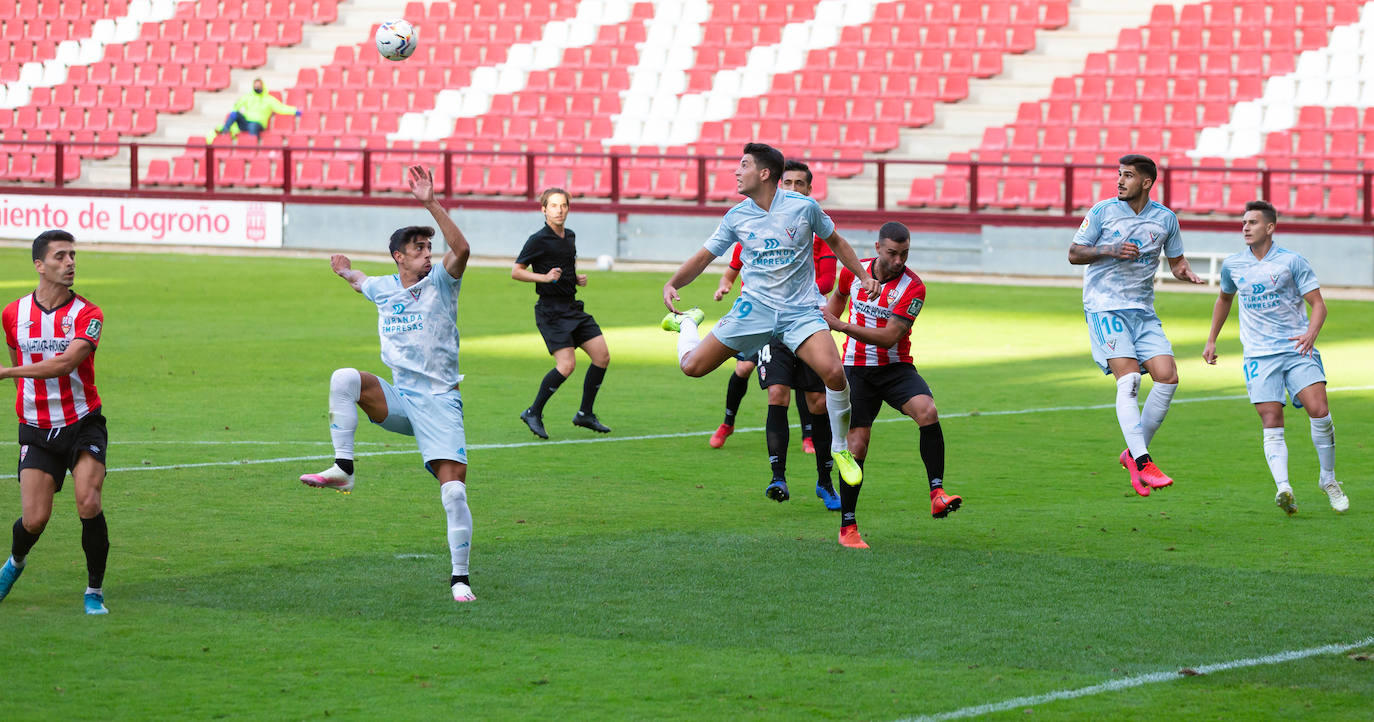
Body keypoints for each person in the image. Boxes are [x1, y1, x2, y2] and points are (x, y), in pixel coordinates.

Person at [296, 165, 479, 603]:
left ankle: (460, 578)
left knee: (453, 491)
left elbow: (463, 248)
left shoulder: (442, 283)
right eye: (418, 248)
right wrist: (345, 271)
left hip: (439, 402)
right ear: (399, 255)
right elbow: (363, 282)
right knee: (344, 378)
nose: (427, 253)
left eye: (428, 247)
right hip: (399, 400)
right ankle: (344, 469)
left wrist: (430, 203)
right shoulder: (383, 287)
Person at [661, 142, 880, 492]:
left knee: (834, 373)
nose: (736, 171)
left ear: (764, 173)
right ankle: (688, 322)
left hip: (800, 312)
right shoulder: (736, 216)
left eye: (743, 165)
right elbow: (705, 256)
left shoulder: (804, 208)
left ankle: (839, 449)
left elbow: (836, 242)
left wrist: (863, 276)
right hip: (755, 310)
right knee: (692, 367)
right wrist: (674, 282)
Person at [1068, 153, 1202, 497]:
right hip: (1105, 307)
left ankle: (1132, 453)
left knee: (1168, 377)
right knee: (1128, 379)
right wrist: (1110, 249)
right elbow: (1074, 253)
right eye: (1119, 174)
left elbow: (1176, 260)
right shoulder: (1102, 212)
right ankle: (1144, 462)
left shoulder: (1166, 219)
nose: (1120, 181)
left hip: (1142, 311)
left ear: (1146, 182)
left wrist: (1183, 272)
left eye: (1127, 176)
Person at [1202, 200, 1347, 514]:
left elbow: (1318, 304)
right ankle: (1284, 488)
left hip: (1296, 349)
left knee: (1319, 410)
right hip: (1258, 355)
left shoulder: (1292, 262)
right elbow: (1224, 299)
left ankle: (1328, 479)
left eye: (1252, 222)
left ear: (1270, 227)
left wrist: (1311, 333)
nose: (1245, 227)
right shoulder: (1233, 265)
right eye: (1243, 222)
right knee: (1271, 419)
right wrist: (1211, 339)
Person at [823, 222, 961, 549]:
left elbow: (888, 338)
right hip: (856, 370)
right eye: (892, 253)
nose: (899, 260)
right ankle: (848, 527)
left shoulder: (913, 287)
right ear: (877, 248)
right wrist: (825, 335)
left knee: (927, 410)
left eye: (905, 253)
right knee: (856, 447)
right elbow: (836, 301)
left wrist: (841, 326)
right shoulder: (853, 274)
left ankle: (937, 493)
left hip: (895, 367)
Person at [711, 160, 839, 510]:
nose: (795, 189)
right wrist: (728, 283)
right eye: (790, 182)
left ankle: (825, 481)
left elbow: (827, 281)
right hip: (765, 322)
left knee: (815, 402)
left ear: (810, 192)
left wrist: (791, 284)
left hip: (805, 322)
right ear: (780, 184)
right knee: (775, 393)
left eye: (801, 184)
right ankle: (777, 477)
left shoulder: (815, 230)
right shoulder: (758, 223)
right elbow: (738, 259)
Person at [0, 230, 111, 615]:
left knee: (88, 501)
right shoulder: (13, 314)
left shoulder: (88, 314)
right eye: (60, 256)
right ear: (39, 265)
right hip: (36, 427)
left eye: (73, 256)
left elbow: (65, 363)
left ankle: (94, 591)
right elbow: (18, 354)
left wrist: (8, 371)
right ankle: (14, 563)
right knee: (33, 520)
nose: (70, 263)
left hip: (83, 422)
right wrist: (16, 375)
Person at [513, 188, 611, 439]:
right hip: (551, 311)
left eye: (563, 205)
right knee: (566, 365)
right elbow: (517, 271)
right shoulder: (538, 239)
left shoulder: (570, 236)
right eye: (554, 205)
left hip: (572, 306)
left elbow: (566, 264)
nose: (559, 210)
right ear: (543, 209)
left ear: (568, 208)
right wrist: (544, 278)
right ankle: (533, 412)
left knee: (602, 356)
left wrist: (575, 278)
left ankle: (585, 414)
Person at [205, 78, 300, 143]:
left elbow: (280, 108)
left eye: (259, 85)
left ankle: (253, 145)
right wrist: (234, 111)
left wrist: (294, 111)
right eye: (256, 86)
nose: (257, 87)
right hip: (245, 122)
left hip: (258, 124)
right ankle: (225, 130)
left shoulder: (269, 99)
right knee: (235, 114)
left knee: (253, 126)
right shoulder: (248, 97)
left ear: (263, 86)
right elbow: (237, 105)